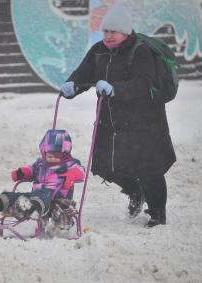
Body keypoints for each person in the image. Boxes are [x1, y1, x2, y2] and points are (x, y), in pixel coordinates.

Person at [59, 4, 176, 227]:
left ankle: (157, 214)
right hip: (112, 123)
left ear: (125, 32)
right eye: (105, 31)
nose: (108, 35)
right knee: (106, 166)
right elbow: (84, 74)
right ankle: (135, 192)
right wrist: (72, 86)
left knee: (149, 169)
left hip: (145, 122)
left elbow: (144, 83)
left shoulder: (139, 51)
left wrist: (116, 89)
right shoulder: (98, 51)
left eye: (113, 31)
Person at [0, 129, 85, 223]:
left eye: (56, 156)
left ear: (64, 154)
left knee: (44, 195)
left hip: (56, 198)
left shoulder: (69, 164)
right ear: (44, 152)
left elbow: (81, 171)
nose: (52, 159)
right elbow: (32, 171)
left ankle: (34, 209)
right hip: (35, 196)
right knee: (15, 196)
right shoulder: (41, 163)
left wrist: (71, 175)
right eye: (49, 155)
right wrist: (23, 172)